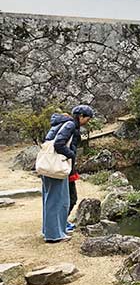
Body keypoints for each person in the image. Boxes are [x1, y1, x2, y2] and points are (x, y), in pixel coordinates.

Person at [41, 104, 94, 243]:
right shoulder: (70, 125)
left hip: (48, 166)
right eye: (87, 118)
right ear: (81, 116)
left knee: (50, 199)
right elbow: (59, 144)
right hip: (56, 167)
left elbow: (47, 140)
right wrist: (71, 155)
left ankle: (50, 230)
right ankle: (54, 235)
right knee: (58, 201)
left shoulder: (60, 123)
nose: (87, 122)